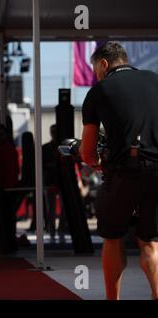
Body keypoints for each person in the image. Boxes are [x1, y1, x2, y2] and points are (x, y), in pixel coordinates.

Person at [80, 42, 158, 300]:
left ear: (104, 64)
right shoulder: (154, 80)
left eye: (95, 70)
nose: (96, 75)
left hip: (126, 171)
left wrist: (96, 162)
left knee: (112, 238)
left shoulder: (99, 91)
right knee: (150, 241)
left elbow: (87, 152)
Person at [0, 124, 20, 252]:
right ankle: (6, 242)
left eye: (0, 134)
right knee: (3, 218)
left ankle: (9, 242)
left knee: (7, 218)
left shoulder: (8, 150)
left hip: (6, 190)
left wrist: (8, 187)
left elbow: (12, 170)